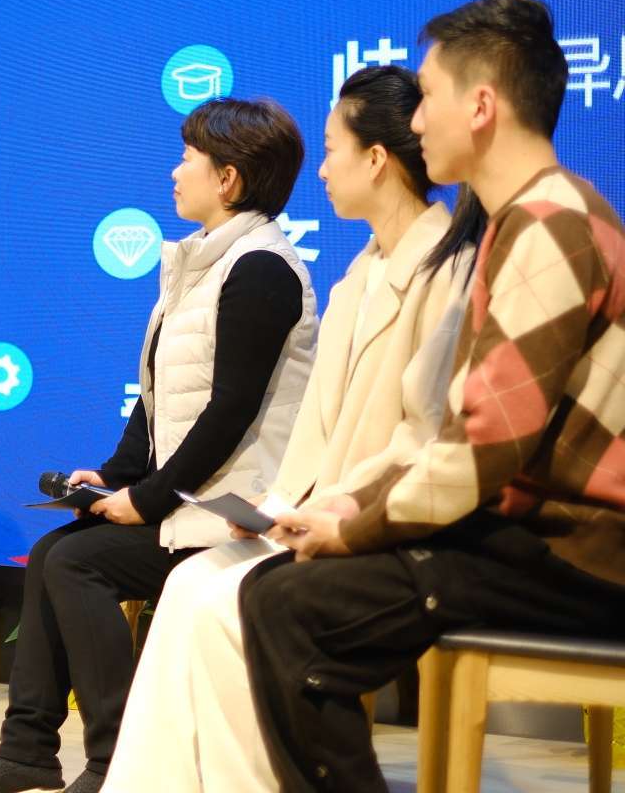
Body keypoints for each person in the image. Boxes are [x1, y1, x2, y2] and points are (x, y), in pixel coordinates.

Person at [239, 0, 625, 793]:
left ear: (480, 107)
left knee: (294, 608)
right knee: (279, 590)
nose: (416, 122)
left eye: (428, 97)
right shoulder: (524, 219)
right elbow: (455, 432)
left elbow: (486, 446)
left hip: (582, 550)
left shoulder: (550, 222)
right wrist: (350, 510)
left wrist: (354, 529)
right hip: (536, 537)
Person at [104, 66, 481, 790]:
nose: (324, 170)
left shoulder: (447, 271)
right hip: (319, 510)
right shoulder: (357, 276)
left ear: (377, 159)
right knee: (188, 590)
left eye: (334, 150)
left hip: (385, 525)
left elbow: (425, 438)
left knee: (226, 603)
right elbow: (317, 434)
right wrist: (275, 505)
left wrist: (330, 510)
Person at [0, 97, 318, 793]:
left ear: (227, 178)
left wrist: (145, 500)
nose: (174, 172)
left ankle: (119, 763)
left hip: (238, 511)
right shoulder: (202, 263)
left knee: (77, 563)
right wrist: (114, 477)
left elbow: (230, 411)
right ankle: (27, 750)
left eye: (187, 158)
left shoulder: (260, 268)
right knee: (53, 551)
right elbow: (158, 396)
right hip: (189, 500)